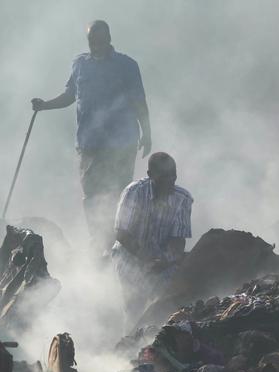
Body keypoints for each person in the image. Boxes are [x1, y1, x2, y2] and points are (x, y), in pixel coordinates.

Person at [31, 20, 151, 256]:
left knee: (120, 194)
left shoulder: (127, 65)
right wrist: (44, 106)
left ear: (108, 38)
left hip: (121, 142)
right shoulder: (80, 65)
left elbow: (139, 101)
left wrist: (147, 133)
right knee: (91, 195)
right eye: (91, 40)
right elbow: (69, 96)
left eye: (100, 40)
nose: (96, 44)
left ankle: (120, 243)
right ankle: (99, 242)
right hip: (89, 143)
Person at [112, 152, 193, 326]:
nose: (169, 182)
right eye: (163, 177)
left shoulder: (183, 198)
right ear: (150, 175)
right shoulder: (133, 192)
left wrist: (165, 260)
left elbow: (178, 240)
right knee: (134, 303)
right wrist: (145, 259)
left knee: (169, 299)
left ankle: (159, 337)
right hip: (130, 255)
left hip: (162, 259)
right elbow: (122, 233)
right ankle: (129, 342)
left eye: (173, 176)